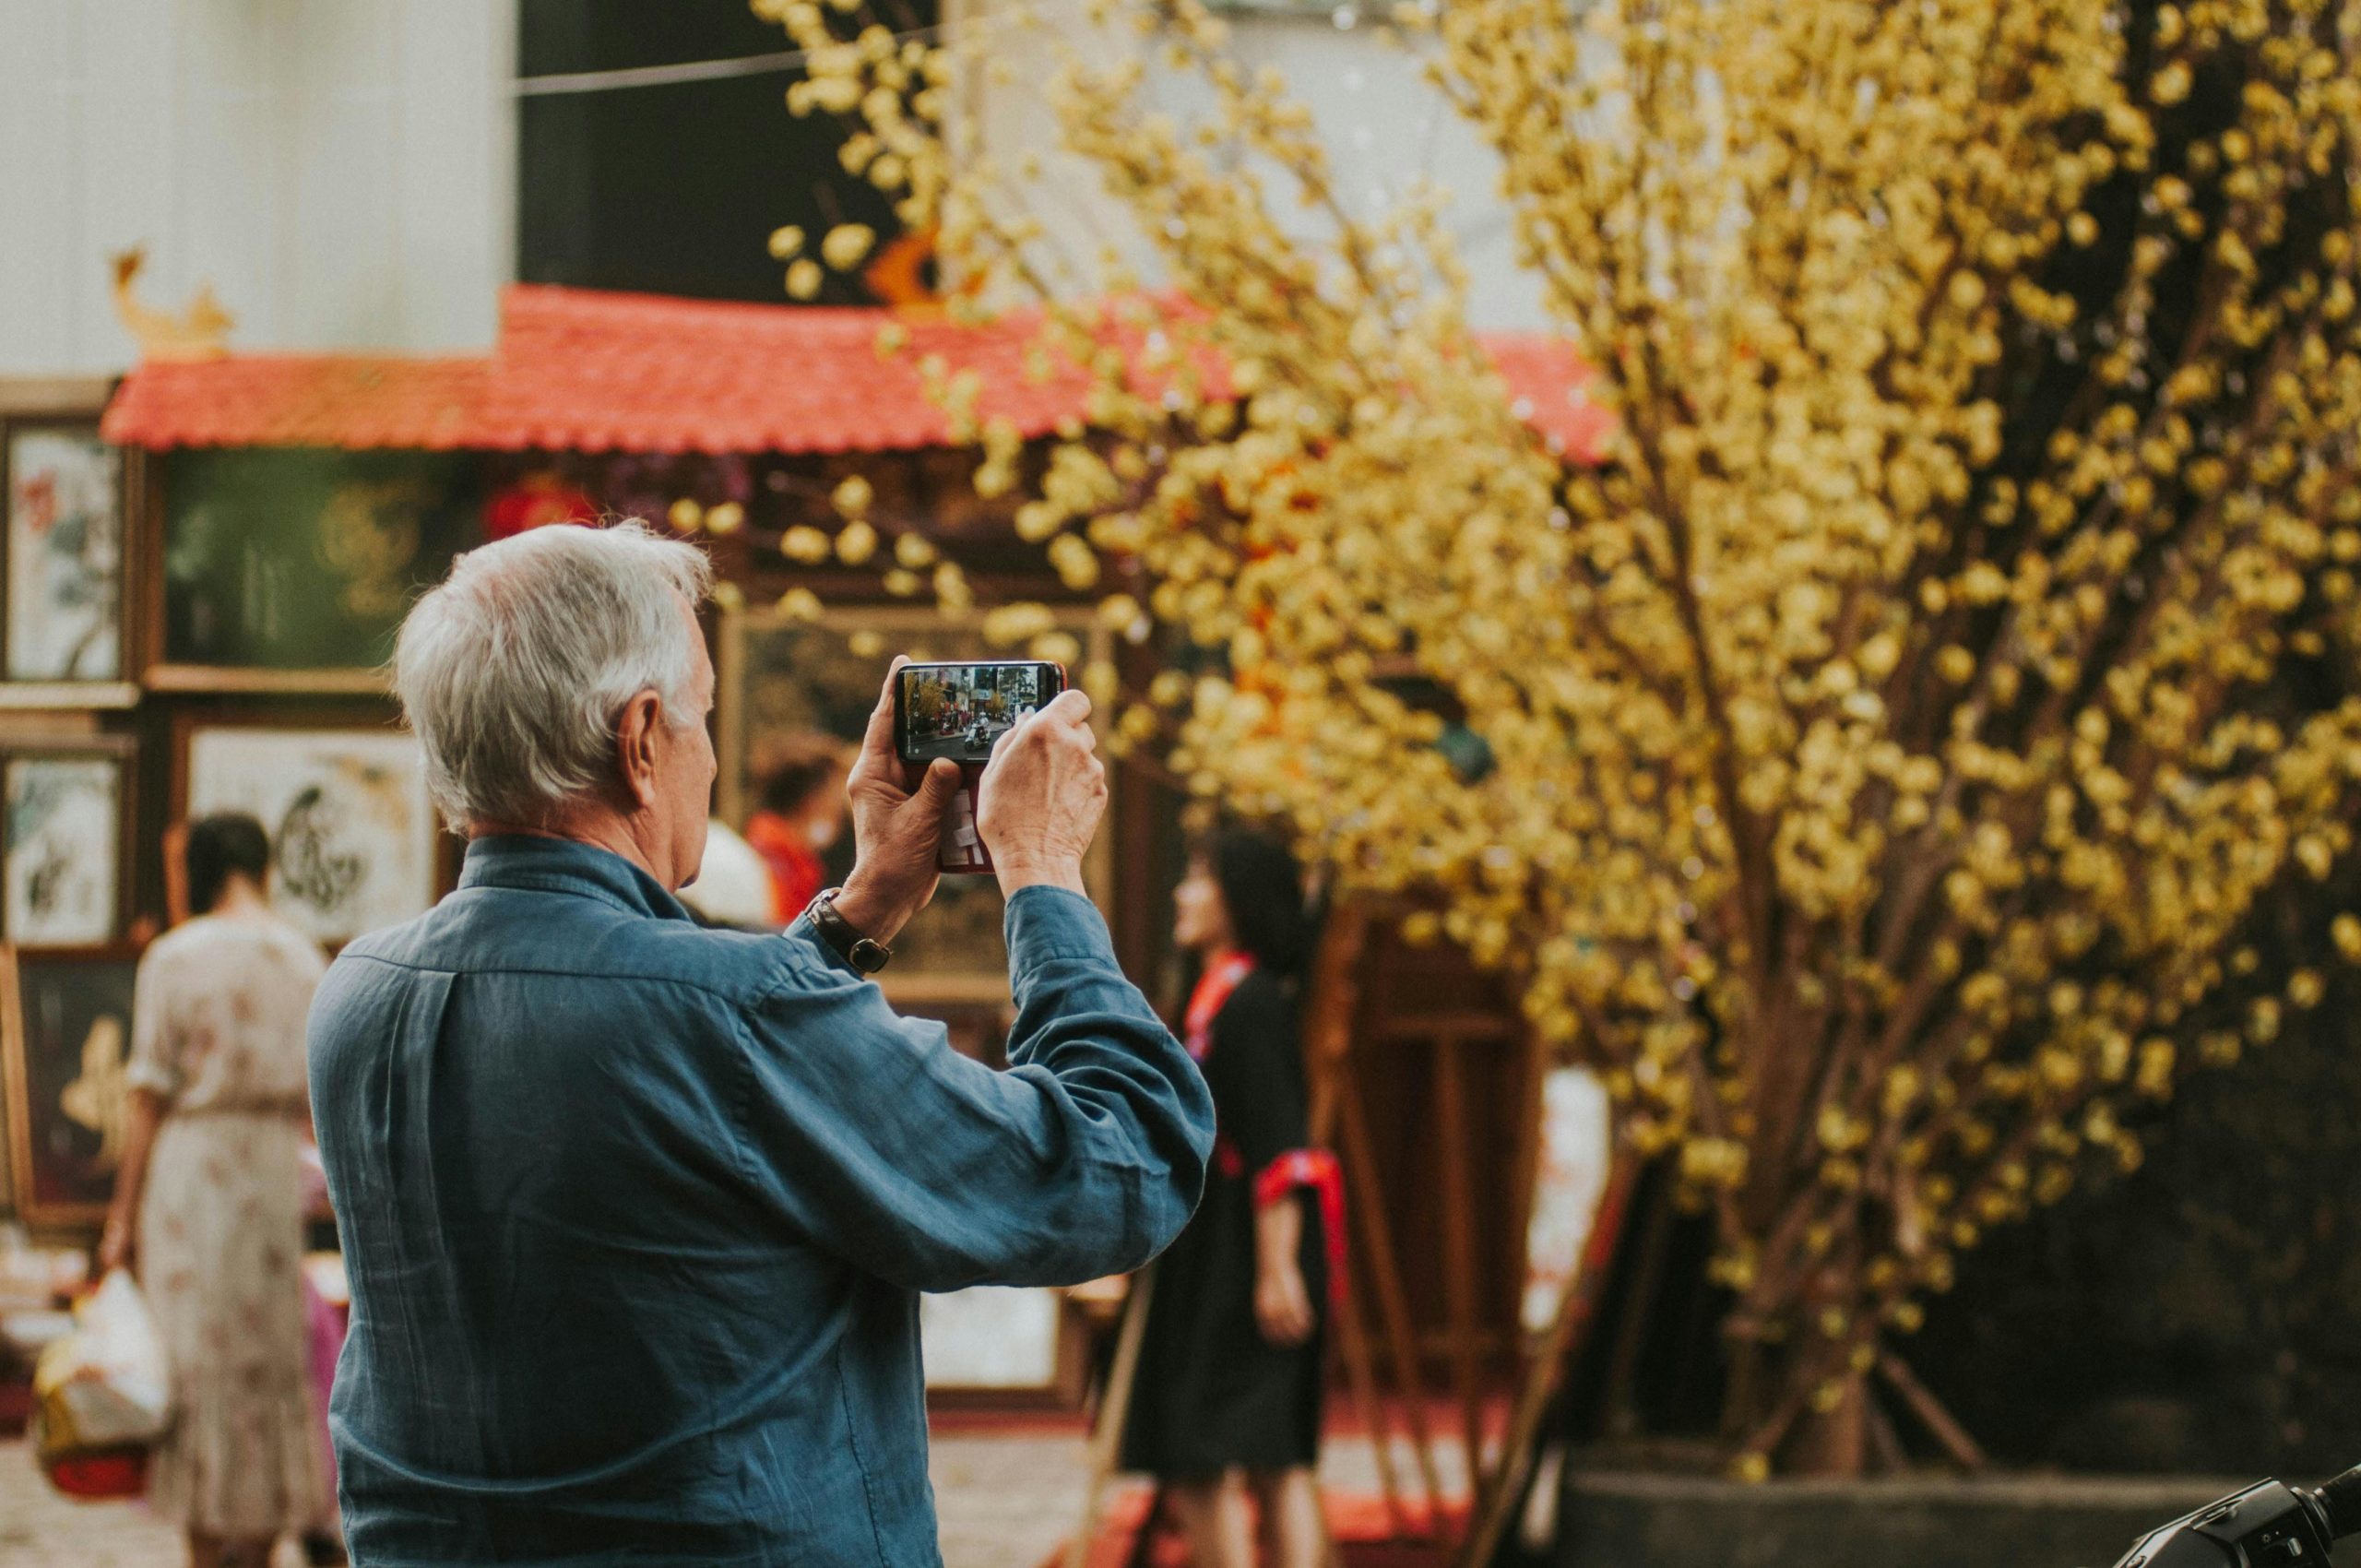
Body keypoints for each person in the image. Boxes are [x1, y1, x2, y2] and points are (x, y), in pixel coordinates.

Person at [307, 520, 1213, 1568]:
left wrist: (859, 907)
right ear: (640, 738)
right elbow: (1120, 1162)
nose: (713, 751)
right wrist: (1044, 869)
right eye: (699, 713)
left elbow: (682, 1089)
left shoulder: (359, 994)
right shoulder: (727, 1013)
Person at [100, 813, 330, 1568]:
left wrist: (118, 1223)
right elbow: (314, 1104)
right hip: (268, 1176)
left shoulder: (173, 957)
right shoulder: (304, 958)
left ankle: (205, 1552)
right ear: (262, 869)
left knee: (197, 1372)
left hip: (193, 1176)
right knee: (267, 1371)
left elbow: (147, 1095)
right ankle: (258, 1551)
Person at [1121, 826, 1337, 1568]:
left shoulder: (1251, 1004)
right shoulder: (1208, 997)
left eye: (1199, 881)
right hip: (1209, 1242)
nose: (1182, 894)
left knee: (1259, 1448)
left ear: (1238, 899)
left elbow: (1283, 1146)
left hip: (1250, 1246)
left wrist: (1277, 1269)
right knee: (1197, 1450)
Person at [742, 733, 849, 923]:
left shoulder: (792, 862)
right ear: (812, 800)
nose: (840, 810)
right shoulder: (773, 863)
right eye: (834, 796)